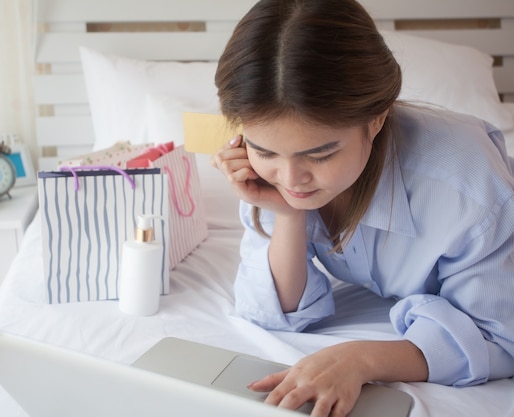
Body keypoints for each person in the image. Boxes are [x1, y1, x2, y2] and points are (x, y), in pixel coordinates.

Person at [210, 0, 514, 416]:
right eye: (265, 150)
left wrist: (362, 358)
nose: (291, 177)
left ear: (376, 118)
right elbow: (272, 310)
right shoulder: (274, 174)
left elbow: (499, 338)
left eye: (320, 155)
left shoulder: (466, 185)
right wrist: (287, 213)